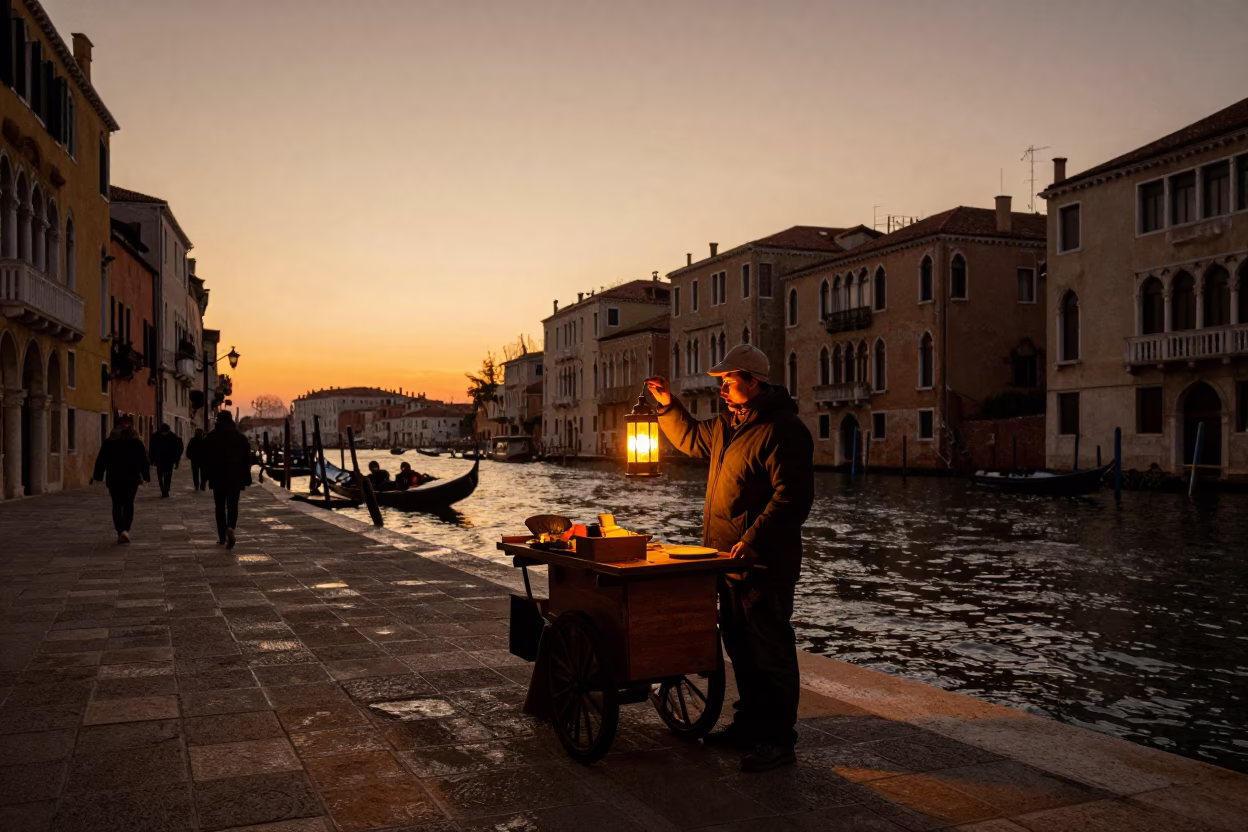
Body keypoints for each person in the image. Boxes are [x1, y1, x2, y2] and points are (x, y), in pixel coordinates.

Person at [645, 344, 814, 773]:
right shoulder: (727, 426)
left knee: (770, 651)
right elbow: (690, 439)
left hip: (762, 563)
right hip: (726, 560)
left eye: (728, 380)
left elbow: (793, 498)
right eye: (720, 381)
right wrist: (668, 406)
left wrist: (754, 540)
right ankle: (749, 726)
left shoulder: (783, 429)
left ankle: (778, 741)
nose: (721, 388)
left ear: (754, 382)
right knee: (740, 647)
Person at [92, 415, 151, 544]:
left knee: (124, 504)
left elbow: (143, 460)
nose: (125, 426)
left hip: (124, 479)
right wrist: (98, 475)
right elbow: (102, 460)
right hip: (121, 479)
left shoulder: (129, 442)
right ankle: (122, 530)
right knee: (121, 505)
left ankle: (123, 530)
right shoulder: (119, 441)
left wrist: (146, 475)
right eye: (123, 423)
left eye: (127, 423)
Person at [203, 411, 252, 548]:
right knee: (233, 505)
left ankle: (221, 537)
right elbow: (247, 460)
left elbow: (205, 459)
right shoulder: (241, 438)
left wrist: (205, 477)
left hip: (217, 477)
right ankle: (230, 527)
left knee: (219, 507)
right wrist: (247, 477)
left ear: (218, 421)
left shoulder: (211, 437)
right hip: (236, 478)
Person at [149, 423, 184, 497]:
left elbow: (177, 450)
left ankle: (166, 489)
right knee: (160, 476)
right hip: (160, 460)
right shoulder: (155, 436)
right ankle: (163, 489)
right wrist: (151, 460)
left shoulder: (173, 436)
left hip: (168, 460)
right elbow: (152, 449)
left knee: (167, 476)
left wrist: (176, 461)